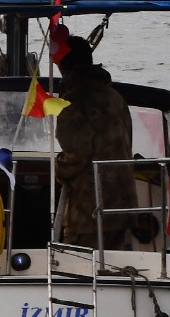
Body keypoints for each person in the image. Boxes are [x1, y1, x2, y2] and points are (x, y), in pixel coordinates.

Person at [54, 36, 136, 251]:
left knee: (80, 265)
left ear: (63, 65)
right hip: (123, 204)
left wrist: (58, 169)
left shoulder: (72, 103)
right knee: (114, 265)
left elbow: (75, 158)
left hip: (89, 208)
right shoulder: (115, 97)